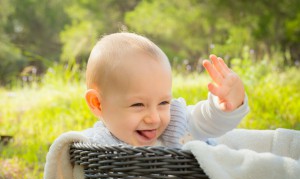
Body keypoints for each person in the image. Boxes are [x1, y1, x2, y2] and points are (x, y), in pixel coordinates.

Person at [82, 32, 249, 148]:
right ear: (98, 103)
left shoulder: (176, 128)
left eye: (163, 102)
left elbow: (206, 122)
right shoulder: (96, 146)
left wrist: (224, 106)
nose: (154, 119)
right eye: (138, 105)